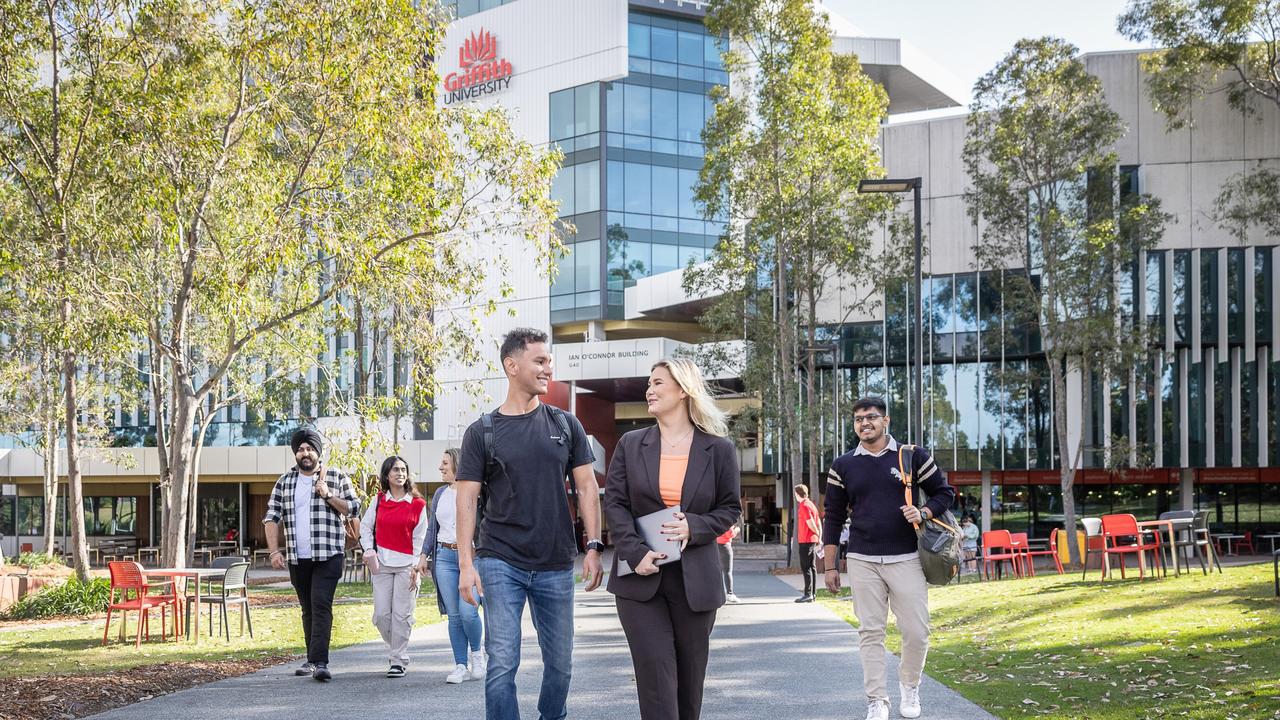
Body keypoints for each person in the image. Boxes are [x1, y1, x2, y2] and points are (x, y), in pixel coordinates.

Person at [453, 327, 604, 720]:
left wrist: (593, 546)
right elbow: (466, 499)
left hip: (555, 562)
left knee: (561, 663)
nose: (547, 369)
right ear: (511, 364)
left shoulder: (565, 424)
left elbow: (587, 488)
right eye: (539, 361)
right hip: (500, 559)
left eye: (548, 361)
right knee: (502, 661)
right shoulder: (481, 432)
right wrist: (466, 565)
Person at [604, 358, 741, 720]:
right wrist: (635, 553)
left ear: (683, 390)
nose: (649, 389)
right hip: (640, 580)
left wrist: (692, 527)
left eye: (658, 382)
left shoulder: (719, 449)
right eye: (649, 383)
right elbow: (615, 504)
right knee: (656, 680)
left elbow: (729, 509)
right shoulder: (631, 444)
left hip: (695, 584)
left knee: (688, 684)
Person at [822, 397, 955, 720]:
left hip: (907, 556)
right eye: (858, 419)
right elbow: (833, 516)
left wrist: (923, 511)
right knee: (870, 632)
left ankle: (910, 686)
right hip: (862, 558)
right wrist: (829, 566)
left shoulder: (912, 456)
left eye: (871, 417)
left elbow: (945, 493)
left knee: (916, 631)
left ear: (886, 421)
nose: (864, 423)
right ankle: (877, 699)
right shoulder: (842, 465)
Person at [263, 427, 360, 682]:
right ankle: (311, 659)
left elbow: (353, 507)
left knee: (320, 603)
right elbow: (271, 517)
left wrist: (328, 494)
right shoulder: (284, 482)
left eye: (309, 449)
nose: (305, 453)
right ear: (295, 453)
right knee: (307, 608)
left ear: (318, 451)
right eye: (301, 449)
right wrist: (274, 551)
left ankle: (320, 661)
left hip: (329, 554)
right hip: (298, 557)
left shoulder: (337, 476)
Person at [358, 455, 428, 678]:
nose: (400, 473)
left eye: (403, 469)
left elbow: (420, 538)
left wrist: (416, 567)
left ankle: (398, 659)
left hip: (408, 566)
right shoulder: (378, 501)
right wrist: (369, 550)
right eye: (395, 470)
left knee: (401, 615)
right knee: (381, 615)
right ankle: (398, 645)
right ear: (387, 475)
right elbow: (365, 528)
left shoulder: (418, 504)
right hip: (382, 566)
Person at [423, 448, 486, 684]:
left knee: (469, 612)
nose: (440, 467)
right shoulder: (440, 494)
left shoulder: (476, 492)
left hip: (471, 558)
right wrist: (423, 555)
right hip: (445, 558)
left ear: (457, 464)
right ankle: (460, 664)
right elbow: (432, 529)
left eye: (445, 463)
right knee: (454, 616)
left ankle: (477, 656)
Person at [794, 484, 820, 602]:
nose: (794, 495)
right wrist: (819, 535)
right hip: (812, 539)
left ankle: (808, 594)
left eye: (795, 493)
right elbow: (818, 521)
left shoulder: (803, 505)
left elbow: (810, 523)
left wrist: (817, 533)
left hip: (806, 540)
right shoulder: (811, 504)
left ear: (798, 494)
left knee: (806, 567)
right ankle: (813, 594)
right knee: (812, 567)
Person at [715, 514, 741, 604]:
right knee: (727, 571)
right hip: (725, 545)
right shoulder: (727, 519)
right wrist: (737, 530)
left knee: (716, 571)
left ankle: (717, 594)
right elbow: (730, 534)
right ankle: (730, 594)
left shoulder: (717, 518)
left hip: (714, 545)